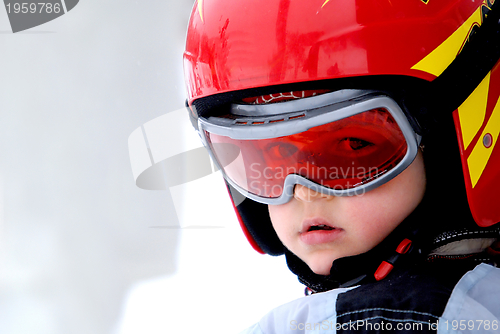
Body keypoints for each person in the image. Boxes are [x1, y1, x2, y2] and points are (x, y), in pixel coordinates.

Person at [183, 0, 500, 332]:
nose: (304, 192)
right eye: (271, 155)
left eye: (354, 146)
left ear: (444, 146)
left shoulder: (414, 320)